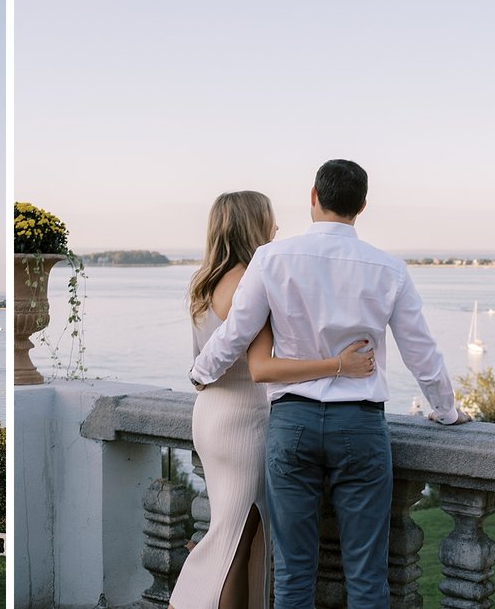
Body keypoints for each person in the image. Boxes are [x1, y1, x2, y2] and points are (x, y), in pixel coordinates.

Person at [189, 161, 471, 609]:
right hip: (359, 426)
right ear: (362, 206)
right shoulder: (389, 268)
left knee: (293, 576)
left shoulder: (271, 259)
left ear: (313, 196)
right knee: (366, 576)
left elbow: (236, 332)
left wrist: (201, 372)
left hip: (291, 424)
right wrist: (446, 410)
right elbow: (422, 352)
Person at [168, 190, 374, 609]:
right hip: (243, 420)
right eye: (269, 219)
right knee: (234, 541)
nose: (276, 227)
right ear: (252, 225)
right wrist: (337, 364)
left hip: (211, 413)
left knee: (237, 534)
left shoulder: (205, 281)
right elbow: (263, 367)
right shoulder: (247, 280)